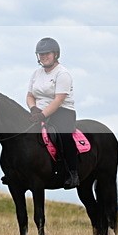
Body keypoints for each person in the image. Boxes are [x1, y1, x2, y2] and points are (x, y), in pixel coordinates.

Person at [27, 37, 79, 189]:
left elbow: (58, 100)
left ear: (55, 54)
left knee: (63, 135)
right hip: (39, 111)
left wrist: (43, 115)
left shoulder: (62, 74)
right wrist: (33, 109)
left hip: (62, 111)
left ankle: (72, 173)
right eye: (41, 54)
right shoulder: (36, 73)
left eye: (47, 54)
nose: (44, 57)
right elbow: (30, 95)